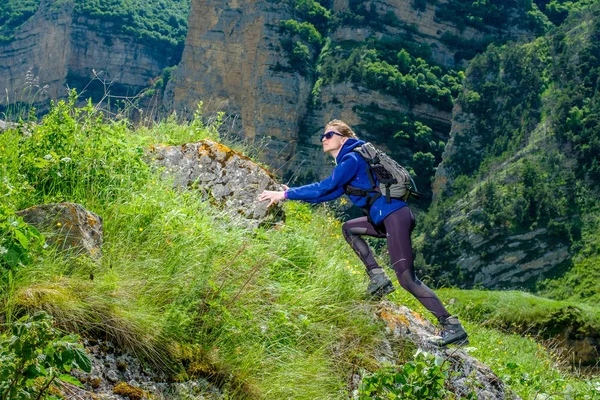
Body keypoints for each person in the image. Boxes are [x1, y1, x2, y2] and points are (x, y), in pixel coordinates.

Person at [258, 120, 468, 346]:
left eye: (329, 135)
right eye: (323, 136)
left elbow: (326, 185)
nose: (323, 139)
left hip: (395, 216)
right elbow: (326, 194)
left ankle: (451, 325)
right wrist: (293, 193)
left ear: (343, 138)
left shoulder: (351, 158)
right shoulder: (351, 161)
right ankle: (378, 277)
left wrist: (284, 196)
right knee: (349, 228)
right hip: (386, 218)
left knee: (407, 279)